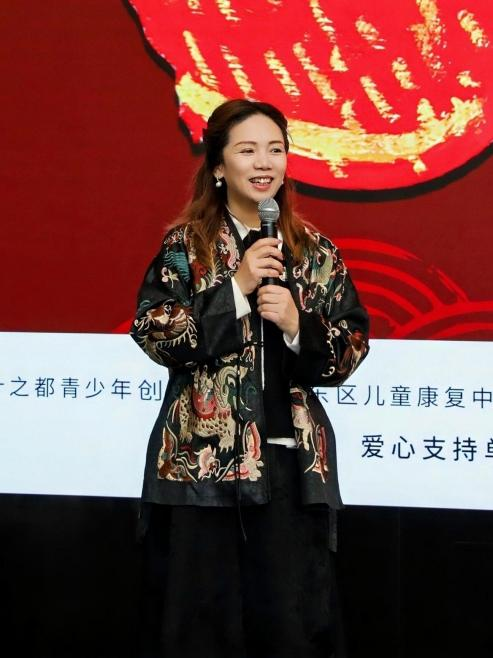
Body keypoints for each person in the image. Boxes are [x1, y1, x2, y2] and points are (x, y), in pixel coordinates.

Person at [131, 99, 369, 658]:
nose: (264, 163)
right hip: (202, 474)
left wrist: (298, 327)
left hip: (290, 473)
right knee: (200, 631)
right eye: (247, 150)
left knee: (291, 630)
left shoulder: (314, 252)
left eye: (275, 149)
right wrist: (235, 289)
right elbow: (155, 333)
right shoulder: (185, 248)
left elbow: (350, 348)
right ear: (219, 166)